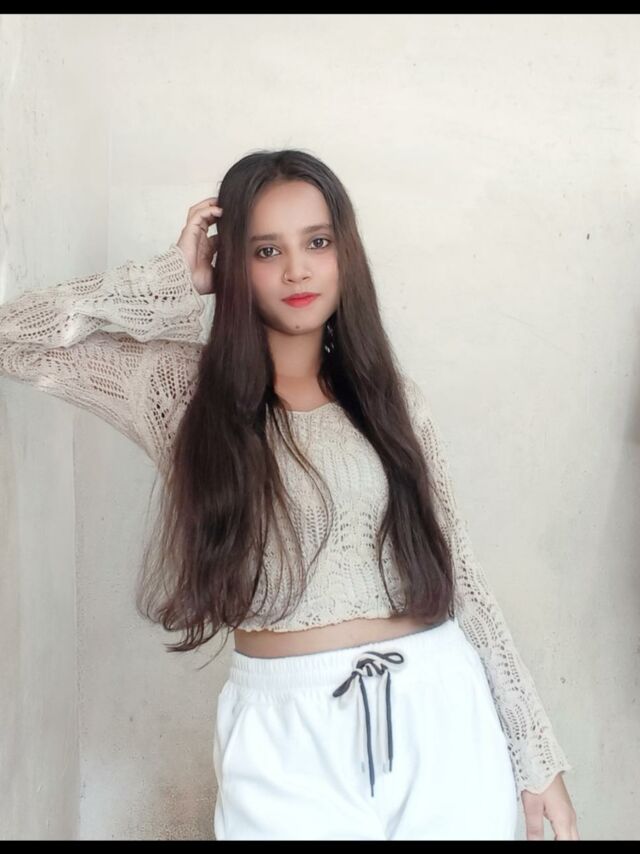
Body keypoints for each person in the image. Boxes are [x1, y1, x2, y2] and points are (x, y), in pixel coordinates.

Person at [0, 148, 579, 841]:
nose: (297, 270)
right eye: (267, 250)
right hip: (284, 733)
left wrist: (536, 755)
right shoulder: (179, 394)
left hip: (441, 708)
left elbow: (465, 579)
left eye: (317, 243)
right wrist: (169, 280)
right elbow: (13, 340)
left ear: (344, 253)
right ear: (232, 265)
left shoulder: (393, 402)